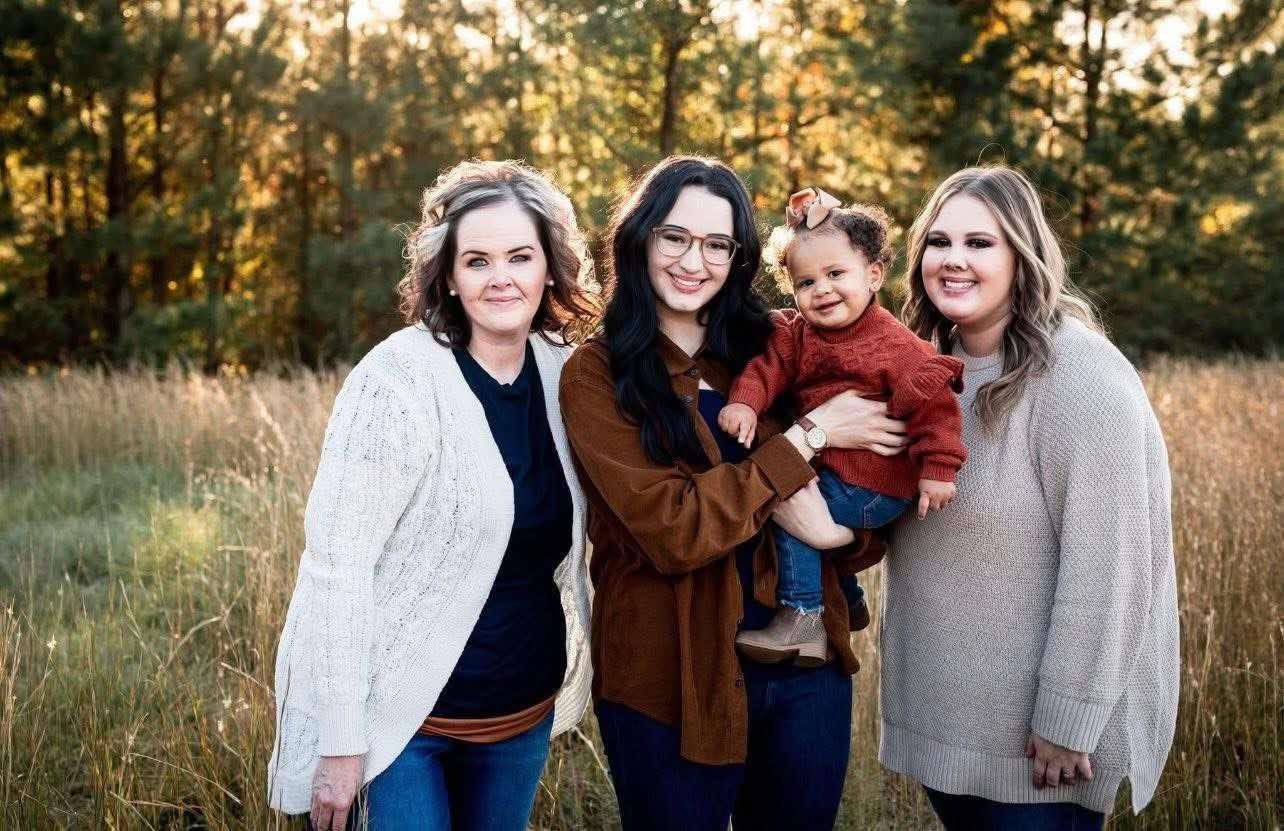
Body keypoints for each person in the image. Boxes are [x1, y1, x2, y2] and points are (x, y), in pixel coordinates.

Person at [559, 156, 909, 831]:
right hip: (670, 679)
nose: (695, 261)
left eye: (717, 244)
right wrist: (806, 437)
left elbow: (865, 478)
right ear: (640, 239)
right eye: (675, 237)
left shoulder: (776, 345)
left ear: (739, 256)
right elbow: (674, 530)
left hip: (804, 668)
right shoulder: (596, 374)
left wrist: (841, 534)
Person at [267, 159, 598, 830]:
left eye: (520, 256)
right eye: (477, 260)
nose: (501, 277)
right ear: (447, 275)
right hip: (401, 727)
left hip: (520, 716)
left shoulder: (568, 373)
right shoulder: (397, 380)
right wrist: (340, 743)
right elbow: (338, 568)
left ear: (549, 268)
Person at [879, 165, 1179, 829]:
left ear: (1023, 255)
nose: (953, 259)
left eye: (980, 243)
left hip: (1044, 753)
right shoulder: (921, 372)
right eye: (939, 241)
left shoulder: (1082, 377)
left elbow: (1111, 565)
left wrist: (1068, 719)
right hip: (950, 727)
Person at [720, 187, 966, 664]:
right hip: (841, 469)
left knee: (789, 496)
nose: (822, 290)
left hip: (877, 483)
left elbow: (936, 408)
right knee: (796, 482)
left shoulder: (895, 347)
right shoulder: (797, 333)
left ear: (873, 275)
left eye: (836, 274)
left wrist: (939, 467)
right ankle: (847, 596)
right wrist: (746, 403)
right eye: (806, 282)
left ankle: (802, 616)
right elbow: (767, 369)